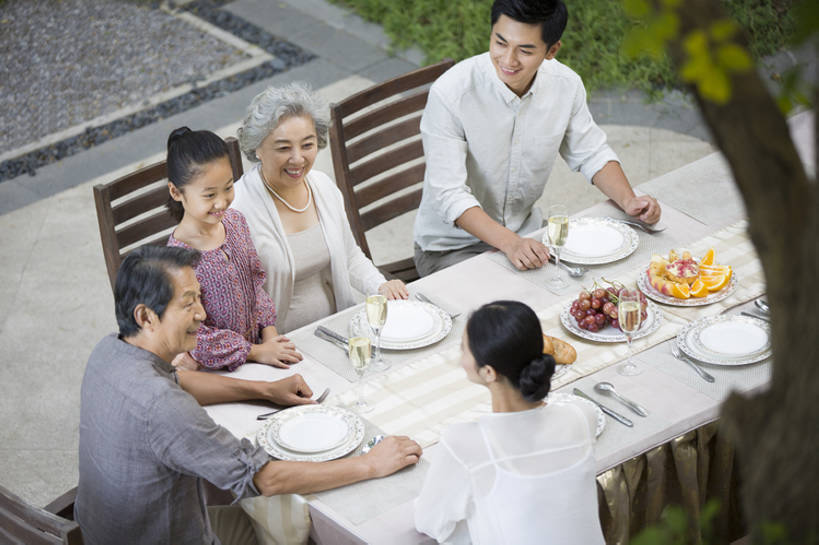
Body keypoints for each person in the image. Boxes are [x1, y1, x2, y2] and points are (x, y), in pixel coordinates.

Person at [75, 245, 422, 545]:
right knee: (299, 528)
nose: (202, 314)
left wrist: (266, 390)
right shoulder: (163, 407)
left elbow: (179, 380)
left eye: (199, 297)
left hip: (112, 532)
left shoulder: (109, 351)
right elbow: (265, 479)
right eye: (188, 303)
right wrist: (370, 464)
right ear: (146, 316)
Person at [413, 0, 661, 276]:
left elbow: (591, 153)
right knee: (520, 312)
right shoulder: (451, 93)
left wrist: (629, 200)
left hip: (528, 235)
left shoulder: (566, 86)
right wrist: (511, 244)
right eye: (500, 42)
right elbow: (450, 195)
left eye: (525, 50)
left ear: (552, 50)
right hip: (450, 250)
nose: (508, 60)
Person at [414, 300, 604, 544]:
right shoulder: (581, 414)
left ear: (489, 373)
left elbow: (429, 522)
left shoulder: (464, 442)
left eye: (464, 349)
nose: (460, 358)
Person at [232, 83, 409, 333]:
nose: (298, 159)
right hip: (280, 345)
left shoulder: (323, 187)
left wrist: (380, 286)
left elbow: (350, 256)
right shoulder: (236, 210)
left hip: (340, 327)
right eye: (284, 148)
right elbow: (236, 301)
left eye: (307, 144)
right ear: (257, 148)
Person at [165, 127, 300, 371]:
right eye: (209, 195)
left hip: (261, 355)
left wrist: (270, 336)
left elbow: (255, 284)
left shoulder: (236, 222)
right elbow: (196, 337)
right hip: (214, 371)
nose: (222, 202)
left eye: (228, 188)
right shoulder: (176, 259)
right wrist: (257, 352)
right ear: (176, 192)